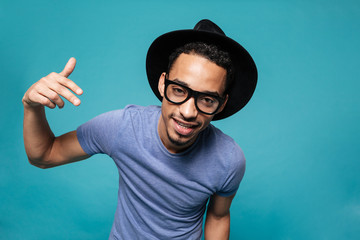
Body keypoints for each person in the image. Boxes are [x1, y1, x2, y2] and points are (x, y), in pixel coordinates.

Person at [22, 19, 257, 240]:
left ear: (222, 104)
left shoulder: (229, 160)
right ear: (163, 83)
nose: (188, 112)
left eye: (207, 99)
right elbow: (44, 155)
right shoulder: (122, 128)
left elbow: (218, 216)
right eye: (179, 90)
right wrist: (32, 107)